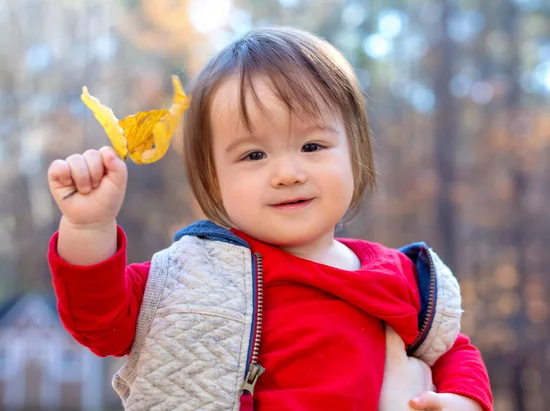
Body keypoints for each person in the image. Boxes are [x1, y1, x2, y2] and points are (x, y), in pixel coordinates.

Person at [47, 27, 492, 411]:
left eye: (312, 147)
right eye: (254, 154)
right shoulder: (188, 277)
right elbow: (101, 322)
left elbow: (451, 348)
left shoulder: (401, 278)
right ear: (212, 177)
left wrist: (464, 398)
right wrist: (88, 229)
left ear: (355, 153)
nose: (287, 174)